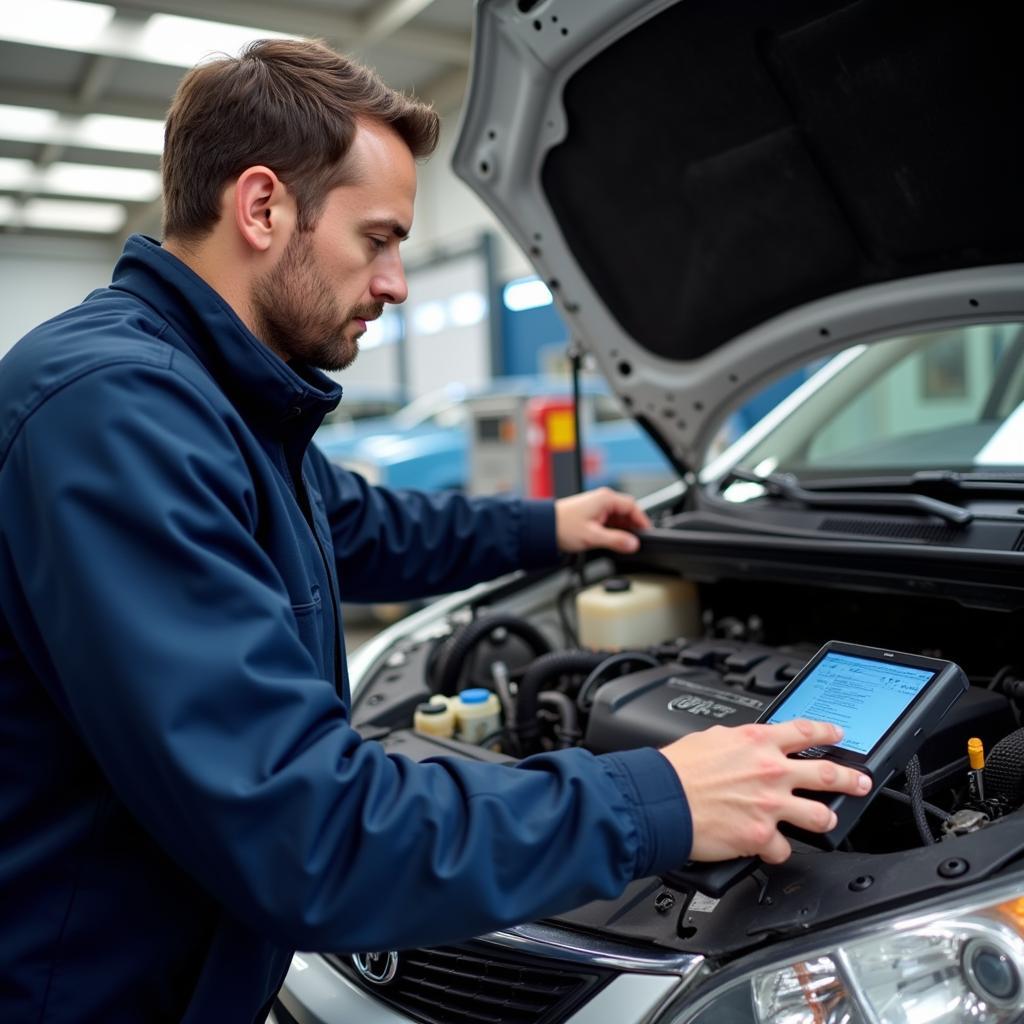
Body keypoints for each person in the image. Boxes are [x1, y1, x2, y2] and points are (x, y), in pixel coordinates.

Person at [0, 39, 870, 1022]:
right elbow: (308, 829)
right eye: (377, 237)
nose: (397, 282)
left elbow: (364, 525)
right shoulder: (117, 413)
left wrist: (549, 526)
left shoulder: (210, 397)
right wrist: (657, 797)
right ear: (260, 207)